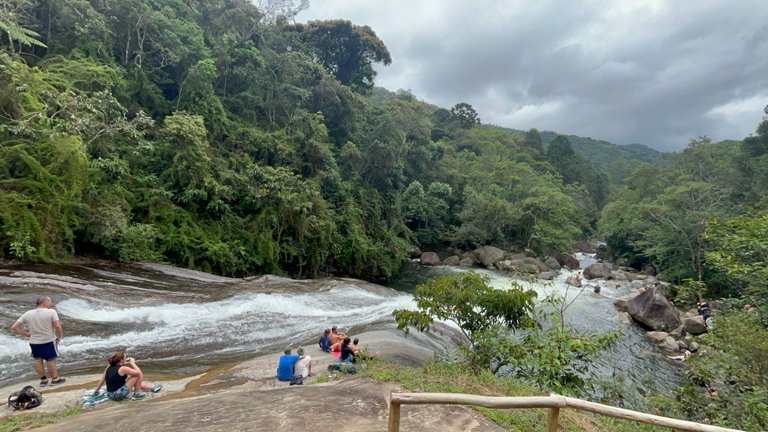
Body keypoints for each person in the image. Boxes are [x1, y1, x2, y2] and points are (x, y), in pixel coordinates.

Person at [11, 296, 66, 387]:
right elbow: (57, 326)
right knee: (51, 359)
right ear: (45, 302)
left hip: (34, 342)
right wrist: (59, 337)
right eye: (50, 301)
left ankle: (43, 380)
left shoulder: (28, 313)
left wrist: (27, 334)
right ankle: (55, 379)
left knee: (38, 360)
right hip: (48, 340)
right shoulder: (51, 312)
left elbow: (14, 327)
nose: (51, 303)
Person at [94, 351, 162, 401]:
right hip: (117, 395)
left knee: (130, 378)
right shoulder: (123, 369)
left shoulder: (108, 367)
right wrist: (132, 363)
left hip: (110, 394)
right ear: (121, 360)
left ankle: (152, 388)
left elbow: (102, 380)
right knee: (137, 375)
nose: (126, 358)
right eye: (125, 357)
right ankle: (137, 394)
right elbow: (138, 373)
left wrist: (96, 392)